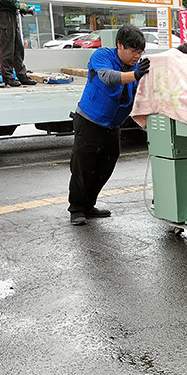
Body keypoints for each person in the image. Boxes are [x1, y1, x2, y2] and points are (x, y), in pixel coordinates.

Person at [67, 24, 150, 226]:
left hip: (112, 125)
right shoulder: (102, 55)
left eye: (140, 52)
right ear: (119, 45)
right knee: (82, 168)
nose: (136, 56)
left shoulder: (135, 67)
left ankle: (89, 205)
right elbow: (108, 78)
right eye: (133, 51)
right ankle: (76, 209)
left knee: (106, 166)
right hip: (89, 120)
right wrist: (136, 75)